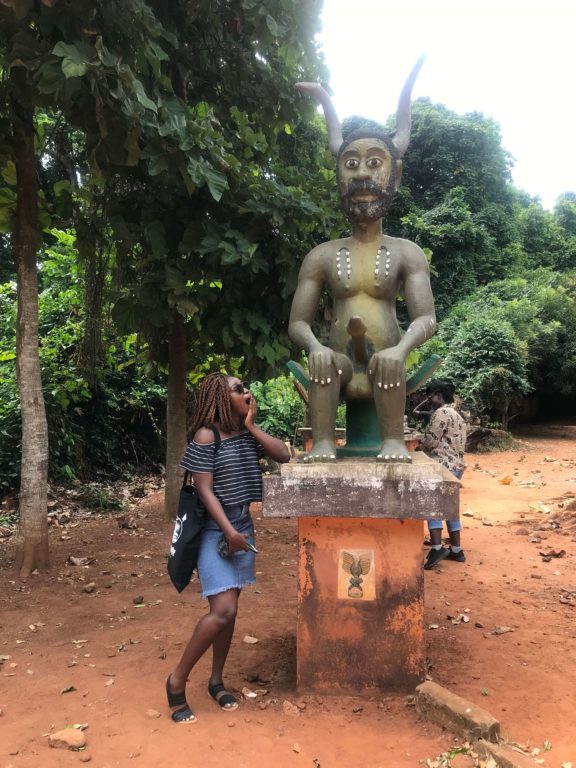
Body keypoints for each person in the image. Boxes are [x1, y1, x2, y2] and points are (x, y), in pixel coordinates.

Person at [289, 58, 436, 463]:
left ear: (396, 175)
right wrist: (316, 346)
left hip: (387, 363)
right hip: (335, 365)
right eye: (350, 164)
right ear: (338, 176)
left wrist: (401, 349)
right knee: (325, 361)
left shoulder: (407, 252)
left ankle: (392, 439)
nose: (360, 175)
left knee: (386, 363)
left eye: (375, 163)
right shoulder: (321, 256)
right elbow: (298, 322)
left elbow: (426, 319)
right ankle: (322, 442)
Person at [165, 373, 290, 723]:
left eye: (246, 387)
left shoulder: (245, 434)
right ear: (221, 397)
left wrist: (251, 426)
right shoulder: (208, 435)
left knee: (231, 611)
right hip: (214, 530)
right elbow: (204, 490)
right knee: (222, 609)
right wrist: (230, 531)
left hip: (241, 527)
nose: (247, 392)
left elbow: (284, 454)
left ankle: (216, 681)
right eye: (239, 390)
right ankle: (176, 681)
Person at [419, 380, 467, 570]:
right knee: (450, 507)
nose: (429, 401)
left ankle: (437, 548)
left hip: (441, 466)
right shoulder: (458, 415)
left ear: (439, 394)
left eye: (430, 396)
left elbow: (430, 442)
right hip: (457, 466)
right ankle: (456, 550)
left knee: (433, 506)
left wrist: (417, 449)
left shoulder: (440, 414)